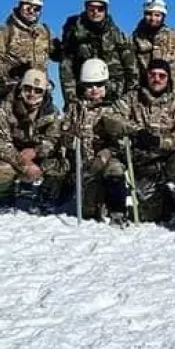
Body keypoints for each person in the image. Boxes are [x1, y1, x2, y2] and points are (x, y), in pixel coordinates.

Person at [98, 58, 175, 223]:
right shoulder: (131, 98)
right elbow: (110, 117)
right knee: (114, 168)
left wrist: (160, 142)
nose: (157, 79)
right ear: (146, 76)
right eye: (153, 74)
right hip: (137, 162)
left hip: (164, 161)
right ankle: (117, 211)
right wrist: (136, 132)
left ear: (168, 79)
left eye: (162, 75)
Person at [58, 58, 131, 224]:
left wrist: (106, 154)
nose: (94, 90)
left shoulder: (115, 107)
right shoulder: (75, 108)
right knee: (88, 212)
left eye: (99, 85)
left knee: (115, 169)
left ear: (106, 85)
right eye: (89, 86)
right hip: (84, 166)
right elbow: (65, 135)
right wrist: (69, 137)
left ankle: (118, 211)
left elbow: (123, 141)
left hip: (106, 161)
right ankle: (95, 198)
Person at [0, 68, 67, 212]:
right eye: (28, 88)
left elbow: (52, 140)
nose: (32, 94)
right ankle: (6, 198)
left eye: (38, 90)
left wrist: (35, 151)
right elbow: (0, 143)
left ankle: (44, 198)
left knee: (61, 165)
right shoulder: (4, 110)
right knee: (0, 171)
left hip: (37, 157)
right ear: (21, 87)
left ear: (44, 92)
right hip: (11, 158)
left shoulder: (52, 113)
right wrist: (24, 164)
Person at [59, 0, 136, 108]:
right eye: (91, 8)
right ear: (86, 8)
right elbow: (66, 67)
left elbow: (131, 68)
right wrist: (71, 100)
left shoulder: (116, 35)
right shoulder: (74, 33)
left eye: (100, 8)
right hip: (85, 96)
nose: (96, 12)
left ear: (106, 9)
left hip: (115, 96)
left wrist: (129, 98)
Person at [0, 0, 57, 102]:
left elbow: (60, 54)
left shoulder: (45, 32)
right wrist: (11, 71)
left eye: (37, 8)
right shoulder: (6, 31)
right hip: (13, 97)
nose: (32, 11)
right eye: (28, 7)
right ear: (20, 5)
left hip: (40, 96)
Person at [131, 0, 175, 97]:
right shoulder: (136, 38)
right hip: (146, 92)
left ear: (163, 16)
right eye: (149, 14)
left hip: (172, 93)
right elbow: (133, 67)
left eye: (157, 15)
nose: (153, 18)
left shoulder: (173, 36)